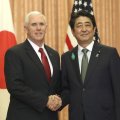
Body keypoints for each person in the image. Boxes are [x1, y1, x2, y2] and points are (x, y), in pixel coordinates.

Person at [61, 10, 120, 120]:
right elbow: (66, 89)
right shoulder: (66, 58)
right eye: (79, 26)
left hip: (105, 116)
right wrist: (57, 101)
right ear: (73, 32)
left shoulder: (110, 53)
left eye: (87, 25)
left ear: (94, 29)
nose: (84, 29)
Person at [4, 11, 62, 120]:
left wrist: (58, 99)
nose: (38, 28)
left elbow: (56, 86)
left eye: (41, 24)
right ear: (26, 29)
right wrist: (45, 101)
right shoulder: (15, 53)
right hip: (24, 116)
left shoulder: (54, 54)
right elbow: (15, 87)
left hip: (50, 116)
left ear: (46, 27)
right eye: (34, 24)